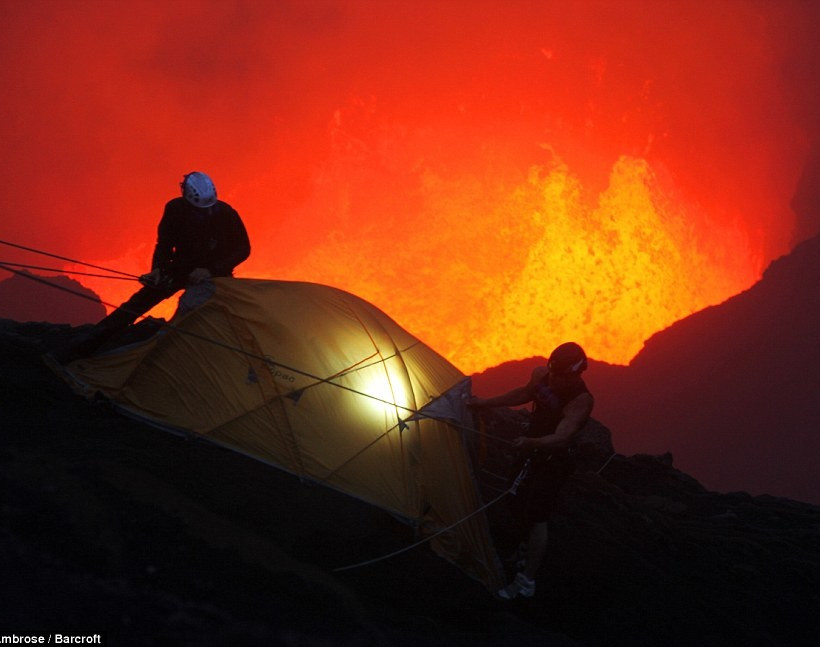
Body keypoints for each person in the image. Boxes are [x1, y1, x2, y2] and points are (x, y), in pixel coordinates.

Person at [57, 171, 250, 362]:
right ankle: (77, 350)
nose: (205, 212)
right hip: (179, 268)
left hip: (213, 276)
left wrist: (211, 270)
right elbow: (165, 243)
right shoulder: (175, 209)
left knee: (204, 319)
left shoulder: (226, 213)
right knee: (134, 307)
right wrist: (158, 269)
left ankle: (213, 360)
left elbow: (243, 248)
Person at [469, 342, 594, 600]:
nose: (555, 379)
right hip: (532, 449)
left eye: (561, 375)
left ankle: (526, 582)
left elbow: (563, 436)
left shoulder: (580, 400)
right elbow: (524, 394)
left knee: (538, 515)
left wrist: (531, 442)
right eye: (554, 373)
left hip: (555, 459)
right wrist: (485, 403)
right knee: (514, 499)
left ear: (576, 374)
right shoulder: (542, 375)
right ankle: (524, 547)